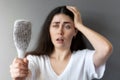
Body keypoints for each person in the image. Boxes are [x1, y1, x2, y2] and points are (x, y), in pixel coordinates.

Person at [10, 6, 113, 80]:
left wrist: (79, 25)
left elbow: (106, 49)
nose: (60, 31)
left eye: (67, 26)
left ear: (75, 31)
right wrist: (18, 74)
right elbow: (24, 75)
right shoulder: (35, 60)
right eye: (55, 25)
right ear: (49, 30)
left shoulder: (84, 59)